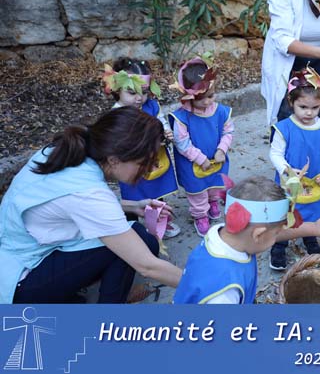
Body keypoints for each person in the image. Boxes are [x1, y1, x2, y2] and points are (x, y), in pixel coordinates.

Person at [0, 107, 183, 304]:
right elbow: (147, 266)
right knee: (136, 246)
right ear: (114, 160)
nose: (150, 168)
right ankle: (106, 316)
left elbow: (71, 202)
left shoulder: (71, 150)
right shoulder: (88, 193)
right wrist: (202, 285)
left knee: (137, 236)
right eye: (144, 162)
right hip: (20, 281)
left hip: (21, 249)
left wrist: (133, 206)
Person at [173, 176, 320, 304]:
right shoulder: (224, 295)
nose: (279, 235)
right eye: (277, 232)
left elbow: (271, 233)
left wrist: (314, 228)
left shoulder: (222, 235)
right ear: (258, 235)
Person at [268, 68, 320, 270]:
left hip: (314, 182)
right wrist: (286, 170)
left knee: (312, 210)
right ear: (291, 102)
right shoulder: (284, 128)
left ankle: (310, 235)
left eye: (315, 108)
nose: (309, 112)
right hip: (289, 182)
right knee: (286, 212)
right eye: (303, 107)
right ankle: (279, 245)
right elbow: (275, 154)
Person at [103, 59, 180, 238]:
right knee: (133, 194)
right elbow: (116, 142)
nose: (139, 98)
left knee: (157, 191)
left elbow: (160, 121)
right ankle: (132, 228)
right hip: (131, 165)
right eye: (132, 92)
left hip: (155, 160)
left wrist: (166, 132)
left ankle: (160, 220)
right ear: (117, 89)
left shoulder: (151, 106)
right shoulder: (116, 114)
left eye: (144, 92)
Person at [169, 55, 234, 238]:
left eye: (211, 96)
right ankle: (200, 215)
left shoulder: (221, 112)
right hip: (193, 164)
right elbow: (182, 143)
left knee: (215, 184)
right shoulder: (182, 117)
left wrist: (222, 149)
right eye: (200, 99)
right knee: (197, 192)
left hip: (216, 159)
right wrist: (199, 158)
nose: (207, 102)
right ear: (187, 97)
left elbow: (228, 131)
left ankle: (213, 201)